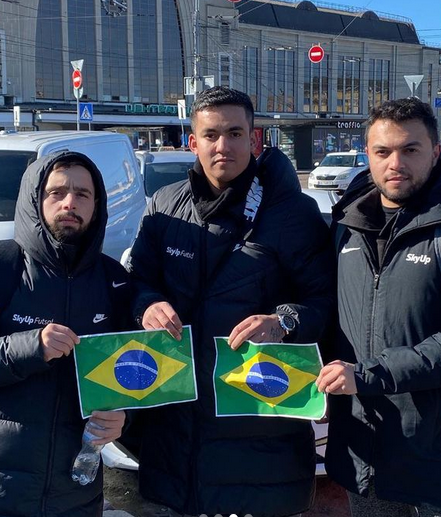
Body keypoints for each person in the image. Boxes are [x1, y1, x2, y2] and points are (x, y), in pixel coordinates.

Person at [126, 86, 335, 517]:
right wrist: (146, 303)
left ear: (254, 139)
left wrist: (284, 320)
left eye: (235, 133)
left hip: (260, 429)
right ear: (192, 142)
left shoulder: (292, 214)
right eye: (211, 134)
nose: (223, 146)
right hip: (177, 430)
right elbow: (135, 281)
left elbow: (326, 301)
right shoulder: (164, 207)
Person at [316, 98, 441, 517]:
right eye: (382, 152)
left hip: (437, 456)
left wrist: (366, 375)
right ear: (367, 154)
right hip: (362, 448)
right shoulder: (346, 225)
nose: (395, 163)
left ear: (436, 152)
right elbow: (328, 314)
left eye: (410, 149)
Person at [0, 152, 132, 517]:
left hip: (75, 491)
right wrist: (28, 346)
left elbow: (134, 372)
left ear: (97, 206)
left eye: (83, 194)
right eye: (57, 192)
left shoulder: (114, 282)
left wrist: (125, 415)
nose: (70, 202)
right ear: (35, 199)